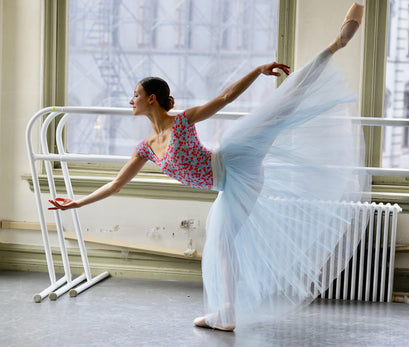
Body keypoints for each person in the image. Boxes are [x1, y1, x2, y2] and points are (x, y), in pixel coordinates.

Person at [50, 3, 369, 332]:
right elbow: (116, 185)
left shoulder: (183, 121)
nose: (130, 101)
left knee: (281, 109)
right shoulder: (144, 148)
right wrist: (78, 202)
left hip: (235, 159)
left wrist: (258, 70)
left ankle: (335, 45)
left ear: (152, 100)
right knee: (221, 246)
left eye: (136, 94)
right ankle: (226, 314)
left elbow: (226, 97)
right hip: (229, 186)